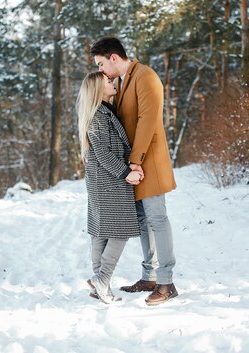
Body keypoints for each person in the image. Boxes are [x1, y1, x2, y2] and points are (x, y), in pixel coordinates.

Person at [90, 37, 178, 306]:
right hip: (133, 165)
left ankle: (166, 283)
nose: (102, 70)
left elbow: (148, 120)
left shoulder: (145, 76)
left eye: (101, 64)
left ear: (114, 57)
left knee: (157, 219)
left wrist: (136, 160)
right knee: (142, 222)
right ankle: (149, 276)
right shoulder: (123, 81)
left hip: (147, 161)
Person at [76, 71, 143, 304]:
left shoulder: (105, 111)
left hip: (104, 179)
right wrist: (127, 173)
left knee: (102, 231)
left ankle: (98, 284)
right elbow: (103, 154)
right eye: (107, 81)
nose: (112, 82)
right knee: (120, 230)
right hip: (107, 179)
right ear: (97, 89)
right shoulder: (97, 116)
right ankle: (102, 280)